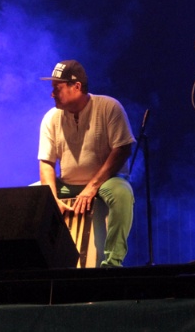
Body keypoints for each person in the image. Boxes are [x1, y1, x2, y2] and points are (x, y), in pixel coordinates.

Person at [38, 59, 135, 267]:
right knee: (32, 197)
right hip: (67, 183)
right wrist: (51, 197)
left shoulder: (109, 107)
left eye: (57, 88)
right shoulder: (50, 118)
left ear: (77, 86)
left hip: (106, 182)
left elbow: (123, 149)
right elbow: (46, 162)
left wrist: (92, 187)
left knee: (122, 194)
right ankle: (39, 263)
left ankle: (112, 263)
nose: (52, 93)